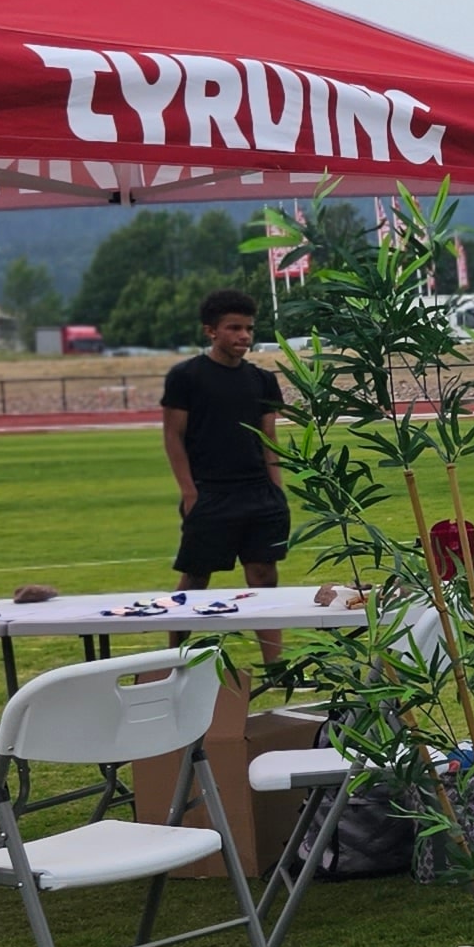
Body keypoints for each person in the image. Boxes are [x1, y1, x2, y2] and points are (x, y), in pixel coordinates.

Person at [161, 289, 294, 674]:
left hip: (258, 494)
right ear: (211, 332)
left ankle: (275, 668)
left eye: (249, 328)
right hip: (211, 493)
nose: (244, 336)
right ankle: (172, 662)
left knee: (264, 577)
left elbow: (269, 439)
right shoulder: (186, 377)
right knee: (196, 576)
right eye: (234, 328)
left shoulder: (263, 380)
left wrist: (277, 489)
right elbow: (173, 436)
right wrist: (189, 492)